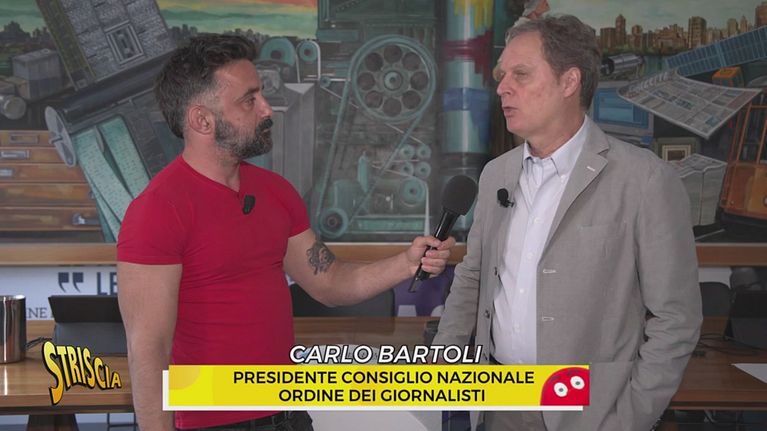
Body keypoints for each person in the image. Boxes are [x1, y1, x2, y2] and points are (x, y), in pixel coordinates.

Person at [116, 34, 455, 431]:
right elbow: (148, 349)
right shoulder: (157, 210)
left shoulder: (275, 192)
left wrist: (407, 263)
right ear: (201, 120)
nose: (266, 108)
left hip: (287, 414)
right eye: (249, 100)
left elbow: (330, 283)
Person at [433, 15, 702, 431]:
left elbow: (676, 320)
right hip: (498, 405)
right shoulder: (496, 175)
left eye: (521, 74)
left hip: (591, 413)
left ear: (569, 82)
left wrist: (627, 420)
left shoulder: (644, 180)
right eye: (502, 76)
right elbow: (473, 278)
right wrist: (440, 373)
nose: (503, 87)